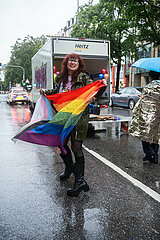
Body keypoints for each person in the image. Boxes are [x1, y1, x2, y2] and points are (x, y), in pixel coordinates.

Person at [40, 53, 107, 196]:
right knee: (61, 143)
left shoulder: (84, 77)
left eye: (75, 60)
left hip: (78, 117)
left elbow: (95, 92)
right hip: (63, 116)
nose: (72, 62)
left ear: (79, 63)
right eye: (70, 60)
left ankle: (80, 181)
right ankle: (69, 168)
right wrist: (46, 92)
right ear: (66, 63)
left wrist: (101, 87)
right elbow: (56, 92)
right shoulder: (61, 78)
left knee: (76, 147)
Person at [129, 70, 160, 164]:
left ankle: (149, 153)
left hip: (146, 115)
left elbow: (142, 101)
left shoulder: (147, 88)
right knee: (156, 135)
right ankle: (154, 155)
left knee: (143, 135)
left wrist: (136, 111)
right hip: (158, 115)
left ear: (150, 77)